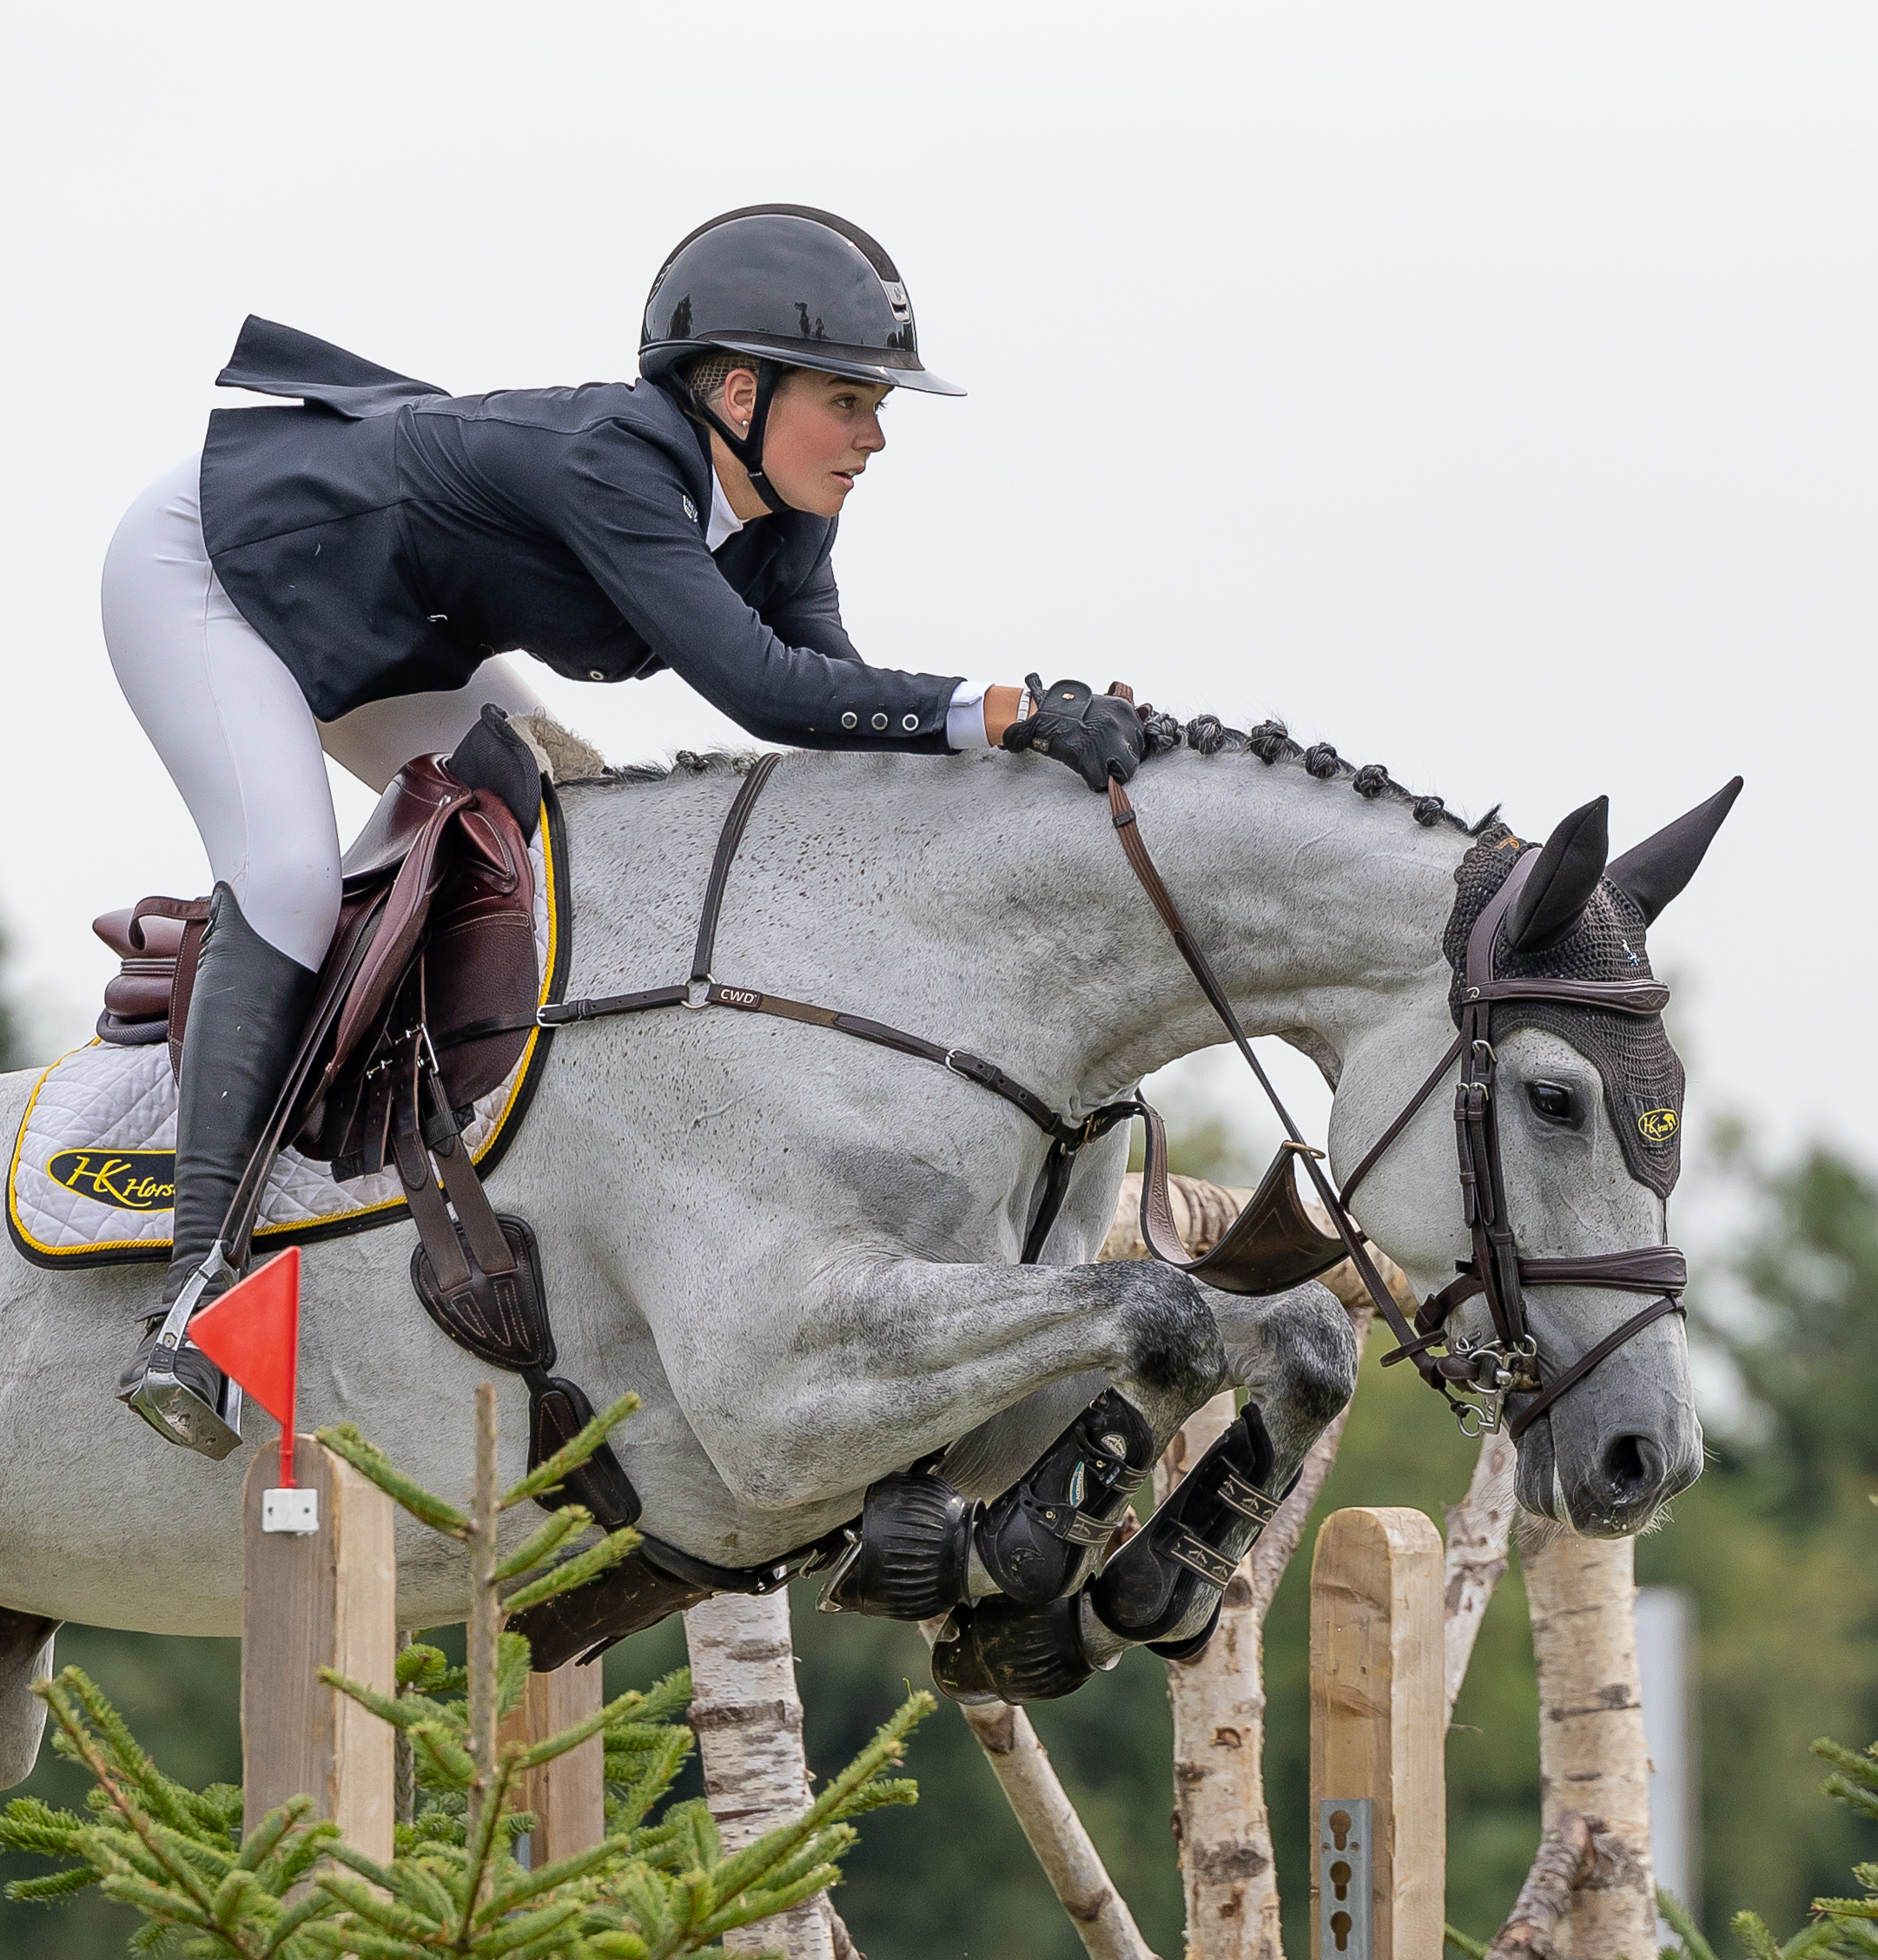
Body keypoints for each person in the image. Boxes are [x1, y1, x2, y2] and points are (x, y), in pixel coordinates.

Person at [102, 201, 1148, 1456]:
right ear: (739, 391)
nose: (874, 438)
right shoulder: (617, 457)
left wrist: (1016, 748)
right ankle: (193, 1291)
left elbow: (836, 704)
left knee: (563, 820)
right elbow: (759, 689)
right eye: (851, 400)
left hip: (393, 629)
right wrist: (1001, 709)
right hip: (213, 571)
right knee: (284, 875)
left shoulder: (782, 512)